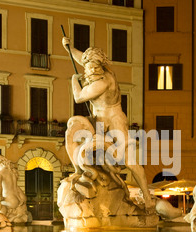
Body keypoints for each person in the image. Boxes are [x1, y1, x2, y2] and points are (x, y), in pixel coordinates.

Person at [62, 38, 154, 213]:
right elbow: (83, 58)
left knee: (130, 161)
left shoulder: (103, 81)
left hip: (114, 121)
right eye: (90, 66)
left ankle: (147, 198)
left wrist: (74, 80)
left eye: (96, 66)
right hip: (98, 121)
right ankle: (77, 169)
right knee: (71, 132)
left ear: (101, 65)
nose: (93, 69)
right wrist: (69, 47)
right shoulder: (93, 68)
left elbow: (79, 97)